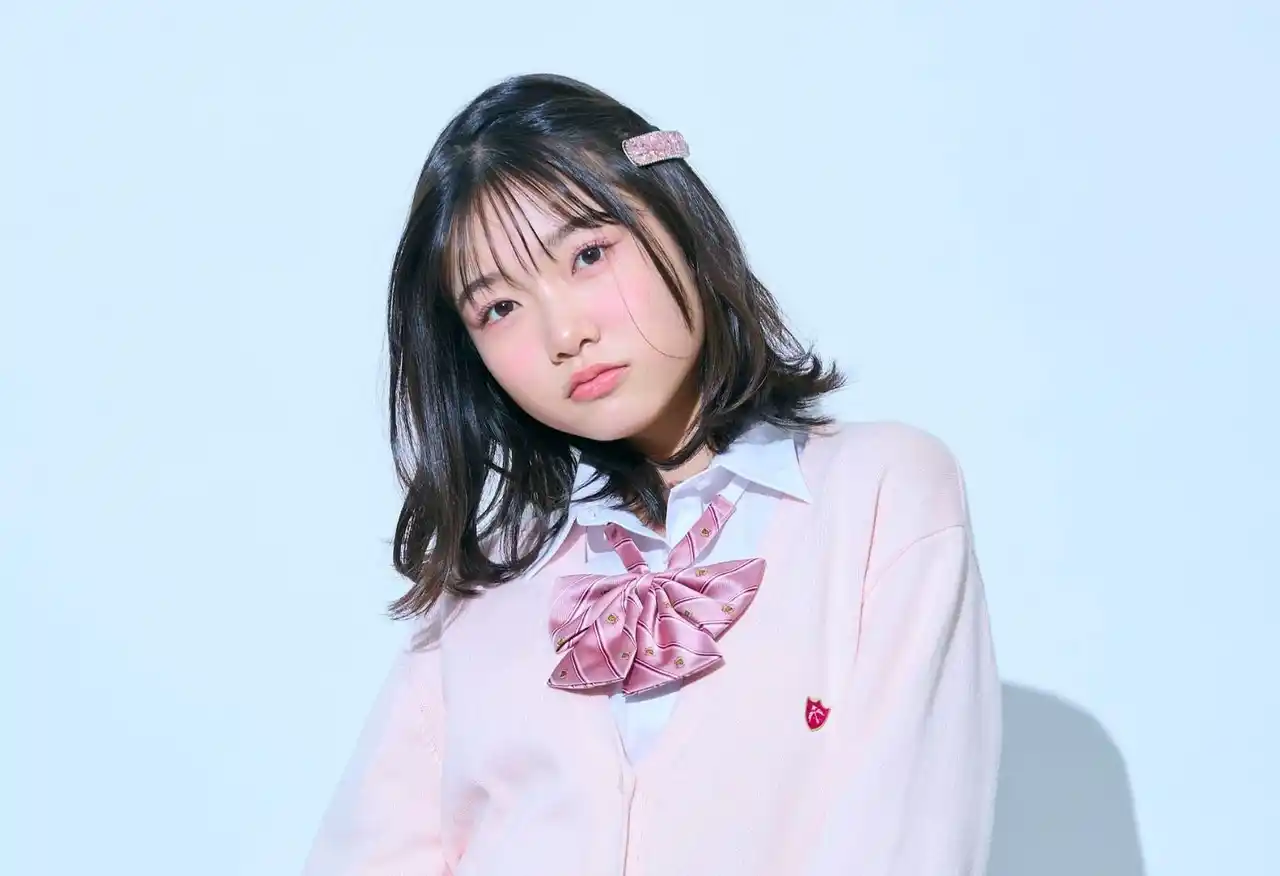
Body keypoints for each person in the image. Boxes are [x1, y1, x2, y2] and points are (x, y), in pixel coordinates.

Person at [302, 73, 1001, 876]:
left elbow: (906, 843)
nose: (564, 333)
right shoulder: (483, 588)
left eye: (588, 255)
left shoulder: (882, 494)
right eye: (499, 307)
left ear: (677, 219)